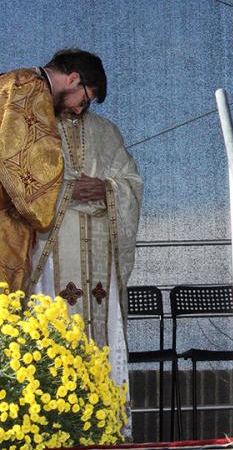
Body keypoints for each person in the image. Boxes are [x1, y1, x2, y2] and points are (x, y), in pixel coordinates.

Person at [29, 111, 142, 405]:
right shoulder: (36, 126)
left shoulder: (105, 129)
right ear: (72, 80)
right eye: (84, 92)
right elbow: (21, 184)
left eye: (91, 98)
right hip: (52, 243)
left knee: (102, 326)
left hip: (100, 246)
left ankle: (105, 417)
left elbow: (131, 180)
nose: (84, 104)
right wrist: (64, 191)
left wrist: (108, 189)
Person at [0, 49, 106, 292]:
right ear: (73, 79)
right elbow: (27, 171)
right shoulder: (31, 89)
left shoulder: (10, 81)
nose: (79, 111)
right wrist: (68, 190)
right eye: (84, 101)